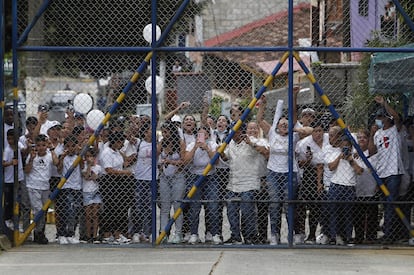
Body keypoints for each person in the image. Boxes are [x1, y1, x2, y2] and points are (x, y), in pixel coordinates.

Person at [257, 87, 312, 245]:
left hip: (290, 173)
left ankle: (293, 234)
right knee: (274, 204)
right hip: (274, 173)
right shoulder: (272, 133)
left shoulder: (293, 136)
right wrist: (263, 105)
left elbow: (307, 127)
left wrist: (294, 97)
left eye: (286, 123)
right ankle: (274, 234)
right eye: (281, 122)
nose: (283, 124)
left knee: (289, 204)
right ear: (277, 125)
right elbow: (260, 120)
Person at [221, 123, 268, 244]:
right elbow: (226, 157)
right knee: (231, 212)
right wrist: (220, 152)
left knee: (248, 212)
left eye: (236, 131)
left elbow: (264, 150)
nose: (233, 134)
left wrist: (251, 143)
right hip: (233, 183)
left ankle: (250, 236)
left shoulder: (251, 140)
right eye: (232, 131)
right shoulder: (230, 143)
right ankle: (235, 236)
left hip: (249, 183)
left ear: (241, 132)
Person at [368, 95, 404, 244]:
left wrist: (384, 103)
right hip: (381, 172)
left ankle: (389, 234)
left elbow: (396, 117)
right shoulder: (377, 133)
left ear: (387, 118)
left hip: (393, 172)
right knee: (384, 204)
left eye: (382, 117)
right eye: (378, 117)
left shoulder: (396, 129)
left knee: (391, 203)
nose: (379, 120)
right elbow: (371, 152)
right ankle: (388, 231)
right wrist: (371, 134)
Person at [184, 126, 221, 244]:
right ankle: (194, 233)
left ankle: (213, 233)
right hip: (195, 177)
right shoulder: (191, 145)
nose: (201, 137)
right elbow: (186, 161)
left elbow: (216, 162)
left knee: (212, 206)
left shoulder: (213, 144)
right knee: (194, 207)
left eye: (204, 134)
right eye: (199, 134)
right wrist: (195, 147)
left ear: (207, 136)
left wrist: (207, 149)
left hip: (210, 177)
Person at [326, 133, 364, 245]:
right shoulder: (335, 153)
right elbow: (331, 167)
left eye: (347, 146)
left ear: (351, 147)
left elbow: (360, 171)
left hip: (349, 186)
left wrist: (350, 160)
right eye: (343, 146)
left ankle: (348, 236)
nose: (345, 148)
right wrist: (340, 157)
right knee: (333, 213)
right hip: (336, 185)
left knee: (348, 214)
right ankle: (333, 237)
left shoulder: (356, 155)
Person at [295, 120, 327, 244]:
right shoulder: (304, 144)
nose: (318, 134)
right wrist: (308, 160)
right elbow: (300, 164)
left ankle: (322, 233)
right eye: (315, 131)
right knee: (308, 206)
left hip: (328, 173)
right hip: (311, 174)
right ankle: (307, 233)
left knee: (322, 207)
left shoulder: (329, 139)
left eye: (320, 131)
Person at [24, 134, 59, 244]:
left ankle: (40, 232)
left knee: (43, 211)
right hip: (33, 186)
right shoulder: (32, 156)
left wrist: (52, 149)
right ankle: (37, 231)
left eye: (43, 145)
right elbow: (27, 170)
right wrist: (31, 159)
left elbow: (56, 163)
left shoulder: (49, 155)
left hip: (45, 186)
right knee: (38, 210)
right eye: (38, 145)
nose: (41, 148)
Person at [100, 131, 133, 244]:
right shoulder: (107, 152)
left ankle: (117, 233)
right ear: (115, 142)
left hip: (118, 183)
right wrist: (125, 173)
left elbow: (125, 162)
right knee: (111, 209)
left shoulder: (117, 152)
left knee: (119, 209)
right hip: (109, 183)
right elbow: (109, 170)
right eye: (121, 142)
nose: (122, 145)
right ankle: (109, 234)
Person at [158, 122, 186, 243]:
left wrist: (170, 161)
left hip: (177, 177)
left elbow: (184, 161)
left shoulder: (180, 142)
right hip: (164, 177)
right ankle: (163, 233)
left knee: (177, 206)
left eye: (167, 132)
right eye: (163, 132)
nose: (165, 134)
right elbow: (156, 156)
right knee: (165, 207)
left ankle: (178, 233)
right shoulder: (162, 142)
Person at [56, 135, 84, 244]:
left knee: (75, 211)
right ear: (65, 147)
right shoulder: (63, 157)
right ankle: (62, 233)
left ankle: (71, 233)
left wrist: (80, 155)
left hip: (76, 186)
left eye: (73, 146)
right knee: (66, 211)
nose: (71, 148)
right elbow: (59, 170)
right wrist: (62, 158)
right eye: (68, 146)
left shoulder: (78, 157)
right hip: (66, 187)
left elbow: (81, 167)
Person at [246, 121, 270, 244]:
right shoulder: (242, 142)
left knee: (262, 208)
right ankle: (249, 235)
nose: (252, 131)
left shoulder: (263, 141)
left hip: (262, 178)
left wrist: (252, 144)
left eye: (255, 128)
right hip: (247, 179)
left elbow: (266, 153)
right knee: (248, 208)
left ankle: (263, 235)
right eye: (250, 128)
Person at [353, 128, 379, 244]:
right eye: (359, 138)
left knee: (372, 215)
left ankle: (371, 237)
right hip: (358, 189)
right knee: (358, 215)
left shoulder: (373, 153)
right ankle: (359, 237)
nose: (361, 139)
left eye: (364, 137)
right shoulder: (355, 154)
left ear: (369, 139)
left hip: (371, 188)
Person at [2, 129, 25, 231]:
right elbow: (3, 163)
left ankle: (16, 220)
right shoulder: (7, 150)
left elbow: (24, 149)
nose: (11, 141)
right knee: (9, 201)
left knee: (18, 201)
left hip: (19, 178)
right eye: (9, 139)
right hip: (9, 180)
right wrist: (11, 163)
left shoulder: (19, 145)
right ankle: (8, 220)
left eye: (13, 139)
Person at [82, 147, 103, 244]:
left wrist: (95, 177)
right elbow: (86, 176)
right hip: (87, 191)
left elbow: (97, 179)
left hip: (96, 191)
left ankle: (94, 235)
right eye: (87, 156)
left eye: (91, 156)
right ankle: (88, 235)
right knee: (88, 215)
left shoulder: (98, 168)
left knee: (95, 215)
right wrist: (89, 167)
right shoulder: (83, 167)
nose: (89, 158)